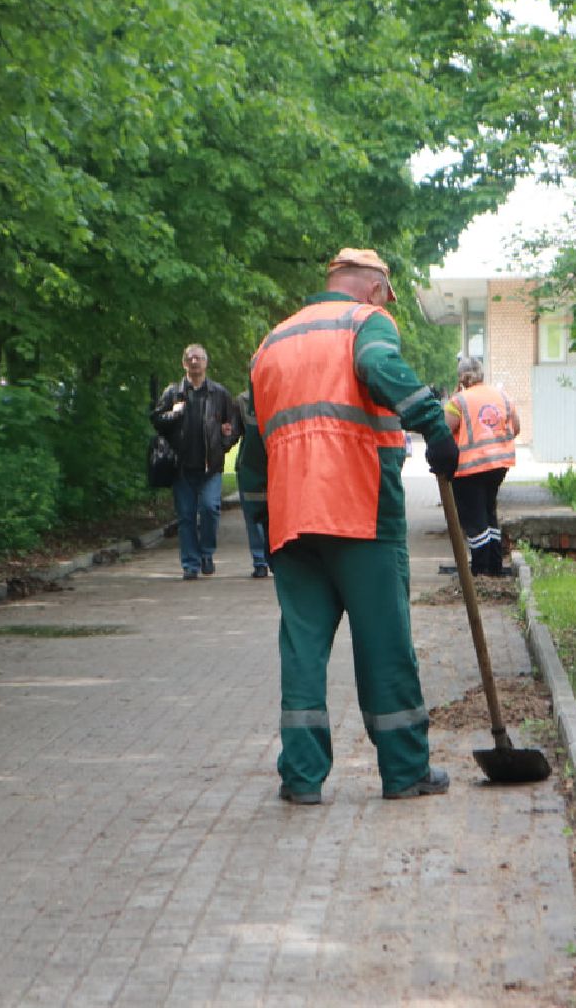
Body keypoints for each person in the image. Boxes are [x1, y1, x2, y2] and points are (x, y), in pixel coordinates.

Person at [236, 247, 460, 804]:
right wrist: (435, 427)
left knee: (302, 649)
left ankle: (302, 779)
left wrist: (262, 515)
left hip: (292, 519)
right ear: (372, 287)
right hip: (362, 509)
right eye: (387, 295)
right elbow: (381, 369)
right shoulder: (365, 323)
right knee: (384, 642)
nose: (388, 306)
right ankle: (405, 770)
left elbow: (254, 446)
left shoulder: (273, 343)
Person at [151, 344, 240, 580]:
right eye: (189, 358)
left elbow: (233, 425)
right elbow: (157, 421)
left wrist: (223, 443)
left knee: (210, 509)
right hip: (181, 467)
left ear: (205, 363)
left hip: (211, 467)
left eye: (198, 358)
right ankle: (190, 564)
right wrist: (174, 413)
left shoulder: (219, 393)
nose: (194, 361)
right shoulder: (173, 393)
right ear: (183, 363)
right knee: (186, 516)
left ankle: (207, 553)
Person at [445, 356, 520, 577]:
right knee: (489, 513)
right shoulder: (502, 395)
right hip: (499, 465)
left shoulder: (458, 401)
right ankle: (495, 566)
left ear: (462, 378)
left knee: (475, 518)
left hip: (471, 467)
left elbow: (444, 430)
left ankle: (479, 572)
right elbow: (516, 427)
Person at [235, 389, 272, 578]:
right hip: (251, 466)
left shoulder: (285, 392)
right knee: (253, 514)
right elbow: (234, 431)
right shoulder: (243, 400)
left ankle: (274, 558)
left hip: (279, 464)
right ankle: (260, 561)